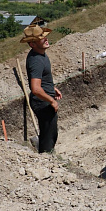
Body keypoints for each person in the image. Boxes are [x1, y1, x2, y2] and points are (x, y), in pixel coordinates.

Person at [21, 25, 62, 153]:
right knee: (48, 136)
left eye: (44, 36)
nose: (46, 39)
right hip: (42, 103)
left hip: (44, 100)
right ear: (32, 44)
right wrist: (51, 101)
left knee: (50, 133)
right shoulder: (36, 61)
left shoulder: (41, 54)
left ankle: (46, 156)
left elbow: (41, 81)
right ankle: (47, 161)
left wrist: (51, 88)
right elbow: (36, 89)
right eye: (41, 38)